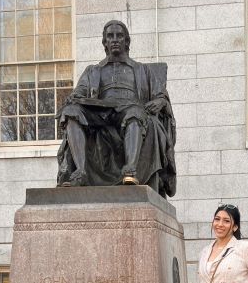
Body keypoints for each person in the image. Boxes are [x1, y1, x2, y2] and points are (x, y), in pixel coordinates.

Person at [56, 20, 176, 197]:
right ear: (104, 42)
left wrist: (161, 102)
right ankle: (80, 172)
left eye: (119, 36)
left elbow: (161, 96)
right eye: (110, 36)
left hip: (130, 110)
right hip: (100, 113)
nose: (114, 40)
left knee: (135, 114)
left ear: (127, 41)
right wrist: (74, 98)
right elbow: (80, 92)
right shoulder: (93, 71)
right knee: (71, 112)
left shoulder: (143, 70)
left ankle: (130, 170)